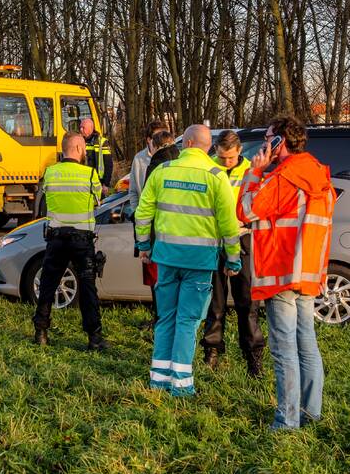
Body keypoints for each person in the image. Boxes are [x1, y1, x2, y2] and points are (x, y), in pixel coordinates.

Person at [237, 115, 335, 429]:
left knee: (284, 349)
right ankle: (311, 413)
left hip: (280, 272)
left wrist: (255, 171)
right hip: (307, 273)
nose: (264, 144)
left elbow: (245, 210)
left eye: (268, 139)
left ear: (279, 142)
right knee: (307, 343)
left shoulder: (284, 177)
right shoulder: (319, 175)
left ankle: (287, 419)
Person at [135, 124, 240, 396]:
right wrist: (233, 260)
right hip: (199, 262)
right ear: (207, 147)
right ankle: (181, 384)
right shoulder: (217, 176)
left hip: (166, 258)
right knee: (187, 321)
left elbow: (143, 212)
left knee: (166, 317)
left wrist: (144, 245)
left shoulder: (162, 171)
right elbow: (229, 225)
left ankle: (158, 379)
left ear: (188, 143)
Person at [33, 131, 107, 351]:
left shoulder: (50, 173)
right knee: (87, 288)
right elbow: (98, 199)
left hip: (56, 237)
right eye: (83, 147)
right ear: (78, 148)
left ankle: (41, 332)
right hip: (82, 240)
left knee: (48, 285)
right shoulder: (89, 174)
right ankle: (94, 337)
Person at [201, 130, 265, 377]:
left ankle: (253, 356)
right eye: (222, 157)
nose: (226, 162)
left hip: (242, 238)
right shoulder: (207, 169)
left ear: (239, 151)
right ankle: (212, 351)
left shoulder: (251, 171)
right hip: (214, 240)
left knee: (247, 301)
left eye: (230, 157)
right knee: (214, 302)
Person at [137, 129, 181, 328]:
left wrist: (144, 242)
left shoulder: (155, 167)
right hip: (186, 233)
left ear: (154, 146)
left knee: (160, 283)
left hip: (160, 234)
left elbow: (146, 207)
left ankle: (162, 322)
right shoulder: (183, 163)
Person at [127, 120, 167, 216]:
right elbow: (133, 191)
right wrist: (136, 214)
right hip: (145, 216)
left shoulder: (172, 158)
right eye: (157, 137)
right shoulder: (139, 159)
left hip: (165, 217)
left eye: (164, 136)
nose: (161, 140)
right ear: (149, 139)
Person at [79, 117, 113, 193]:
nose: (81, 129)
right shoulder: (79, 141)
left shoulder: (102, 142)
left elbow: (108, 164)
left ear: (90, 128)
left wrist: (106, 184)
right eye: (80, 127)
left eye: (83, 127)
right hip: (83, 181)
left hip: (99, 181)